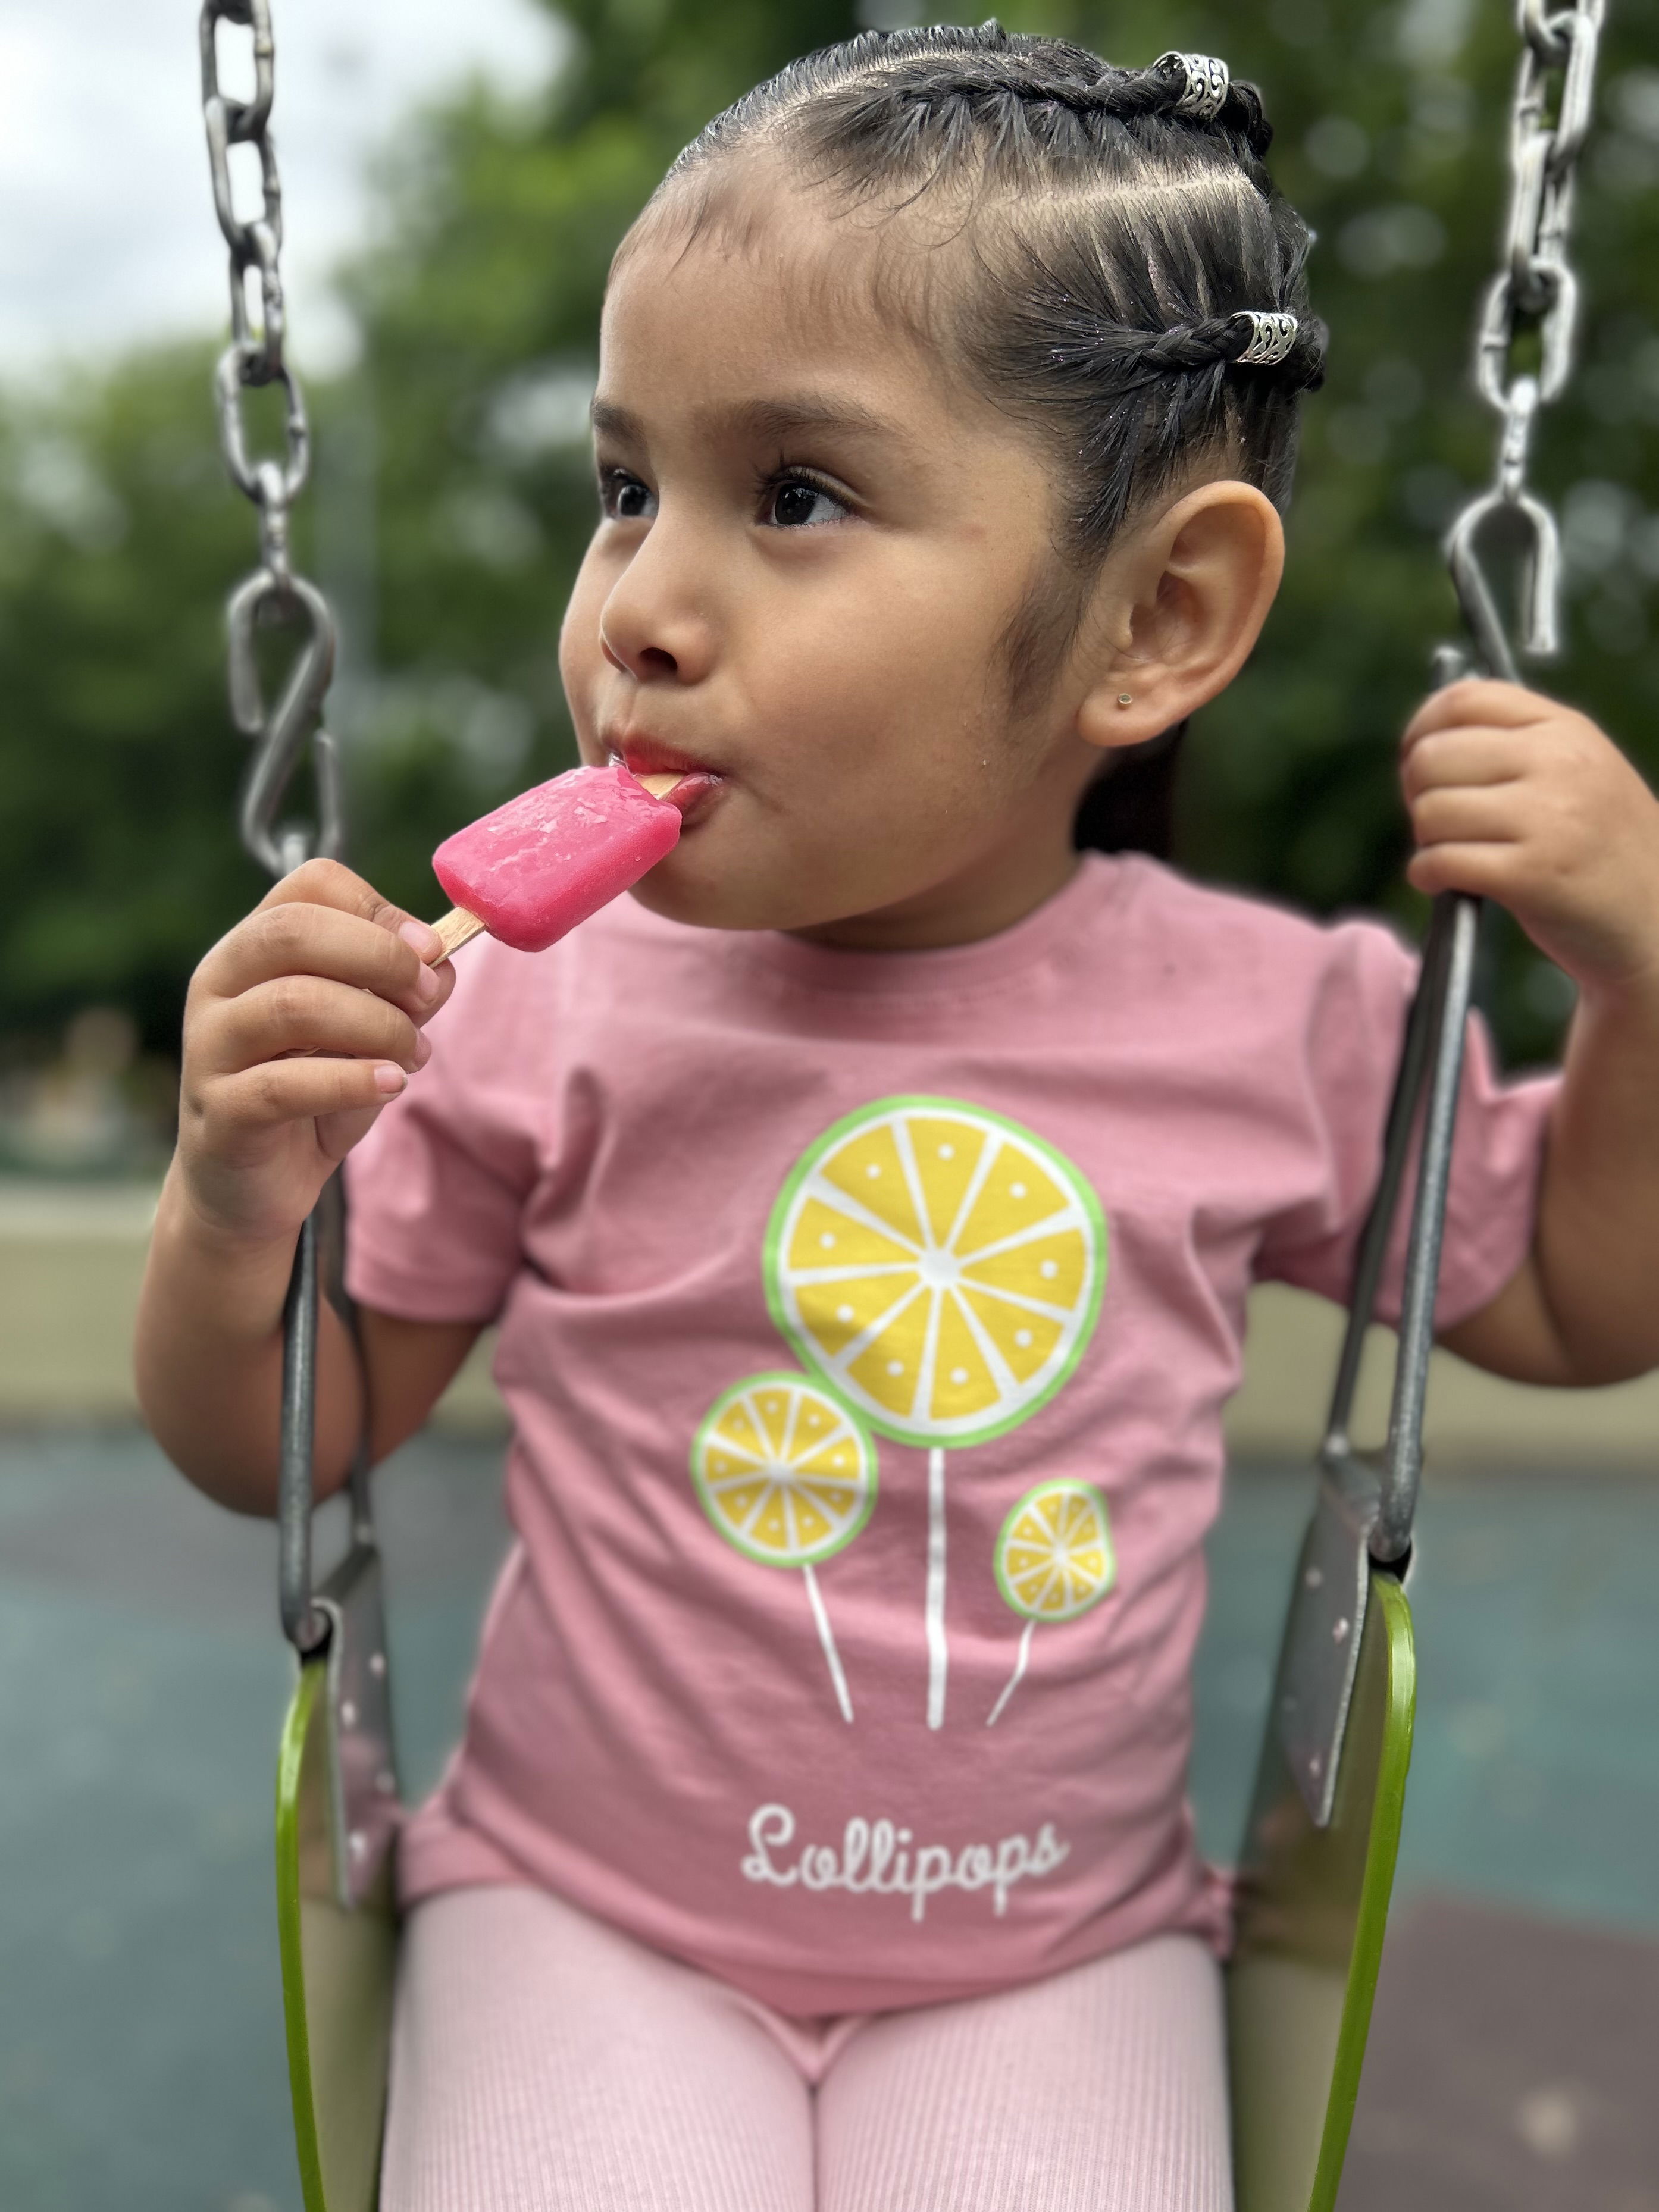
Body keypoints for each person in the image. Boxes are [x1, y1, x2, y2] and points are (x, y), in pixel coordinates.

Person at [135, 26, 1659, 2210]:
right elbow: (281, 1439)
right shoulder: (521, 1008)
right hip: (588, 1913)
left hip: (1055, 1953)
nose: (640, 611)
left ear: (1152, 618)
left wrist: (1638, 979)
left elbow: (1585, 1303)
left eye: (794, 497)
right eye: (624, 488)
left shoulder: (1282, 1024)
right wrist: (232, 1206)